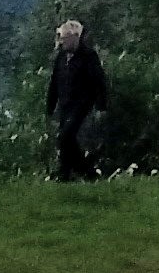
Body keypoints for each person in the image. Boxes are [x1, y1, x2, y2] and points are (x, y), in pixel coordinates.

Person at [43, 19, 112, 184]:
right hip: (64, 104)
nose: (61, 41)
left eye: (64, 38)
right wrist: (50, 105)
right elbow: (54, 82)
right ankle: (70, 174)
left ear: (75, 37)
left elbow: (99, 81)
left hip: (81, 104)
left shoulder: (88, 56)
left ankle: (81, 173)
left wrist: (102, 105)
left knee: (66, 137)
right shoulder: (61, 57)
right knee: (66, 140)